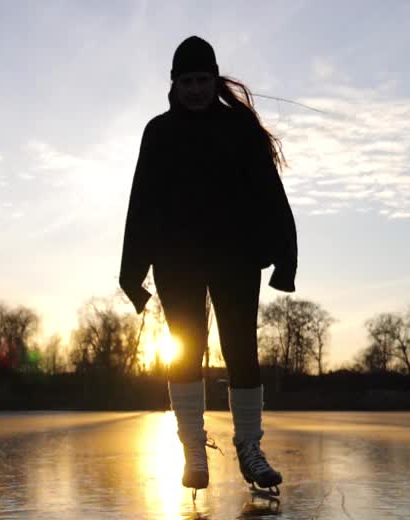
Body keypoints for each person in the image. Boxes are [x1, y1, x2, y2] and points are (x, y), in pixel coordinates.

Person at [120, 35, 297, 493]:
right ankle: (194, 451)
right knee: (187, 349)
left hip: (235, 256)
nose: (195, 89)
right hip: (176, 259)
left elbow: (269, 194)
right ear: (174, 84)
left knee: (241, 350)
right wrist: (132, 272)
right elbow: (142, 202)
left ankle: (249, 448)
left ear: (214, 79)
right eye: (187, 81)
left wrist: (285, 256)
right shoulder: (158, 132)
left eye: (202, 80)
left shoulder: (240, 129)